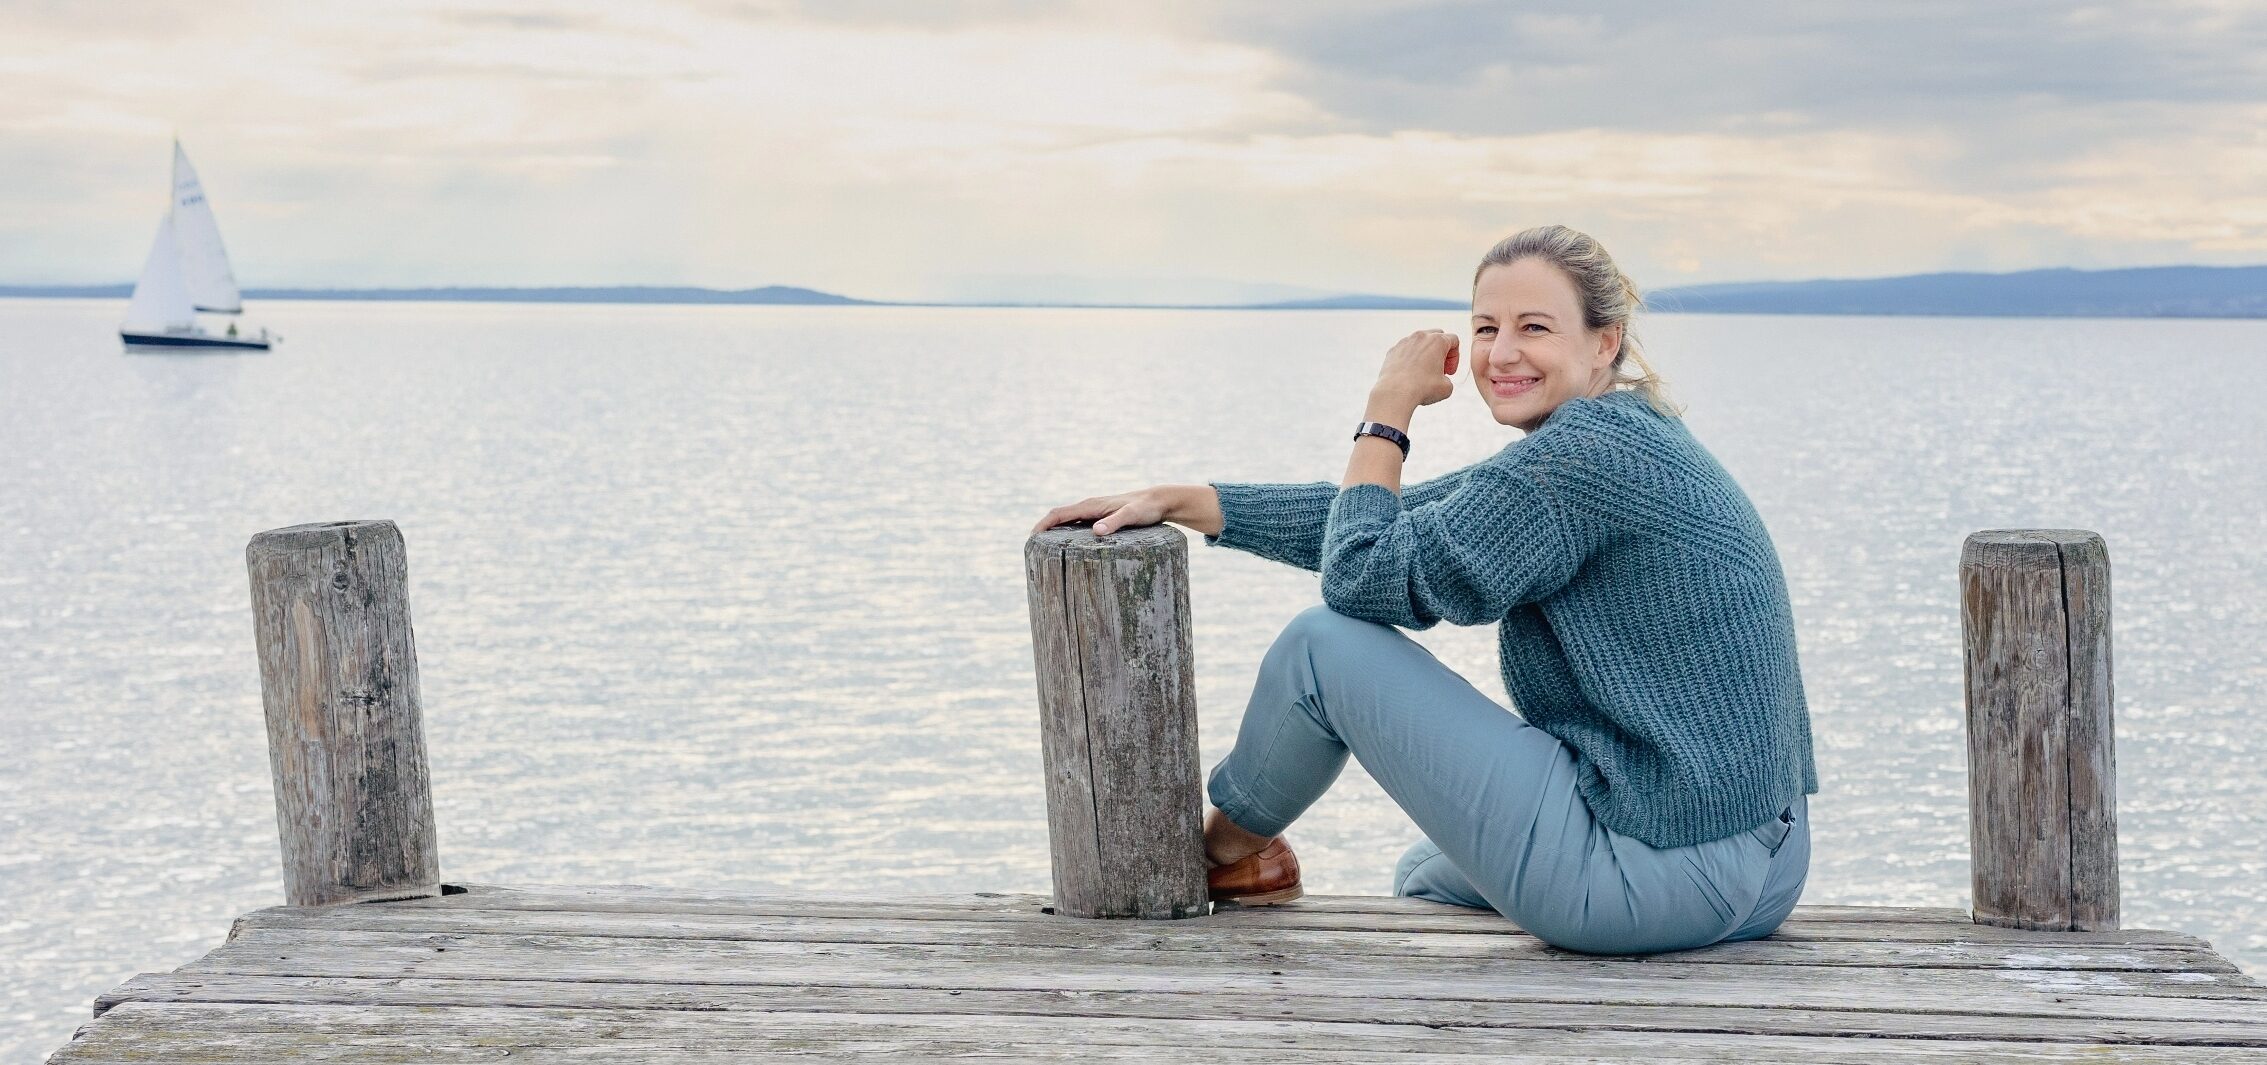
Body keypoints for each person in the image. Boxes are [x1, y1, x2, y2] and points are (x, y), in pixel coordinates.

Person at [1030, 224, 1817, 955]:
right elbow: (1393, 521)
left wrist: (1387, 409)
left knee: (1322, 645)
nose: (1501, 352)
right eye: (1485, 327)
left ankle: (1220, 854)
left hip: (1660, 867)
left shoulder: (1580, 455)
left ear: (1603, 341)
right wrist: (1186, 498)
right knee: (1421, 873)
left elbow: (1364, 571)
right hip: (1764, 867)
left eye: (1533, 327)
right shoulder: (1623, 433)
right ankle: (1251, 854)